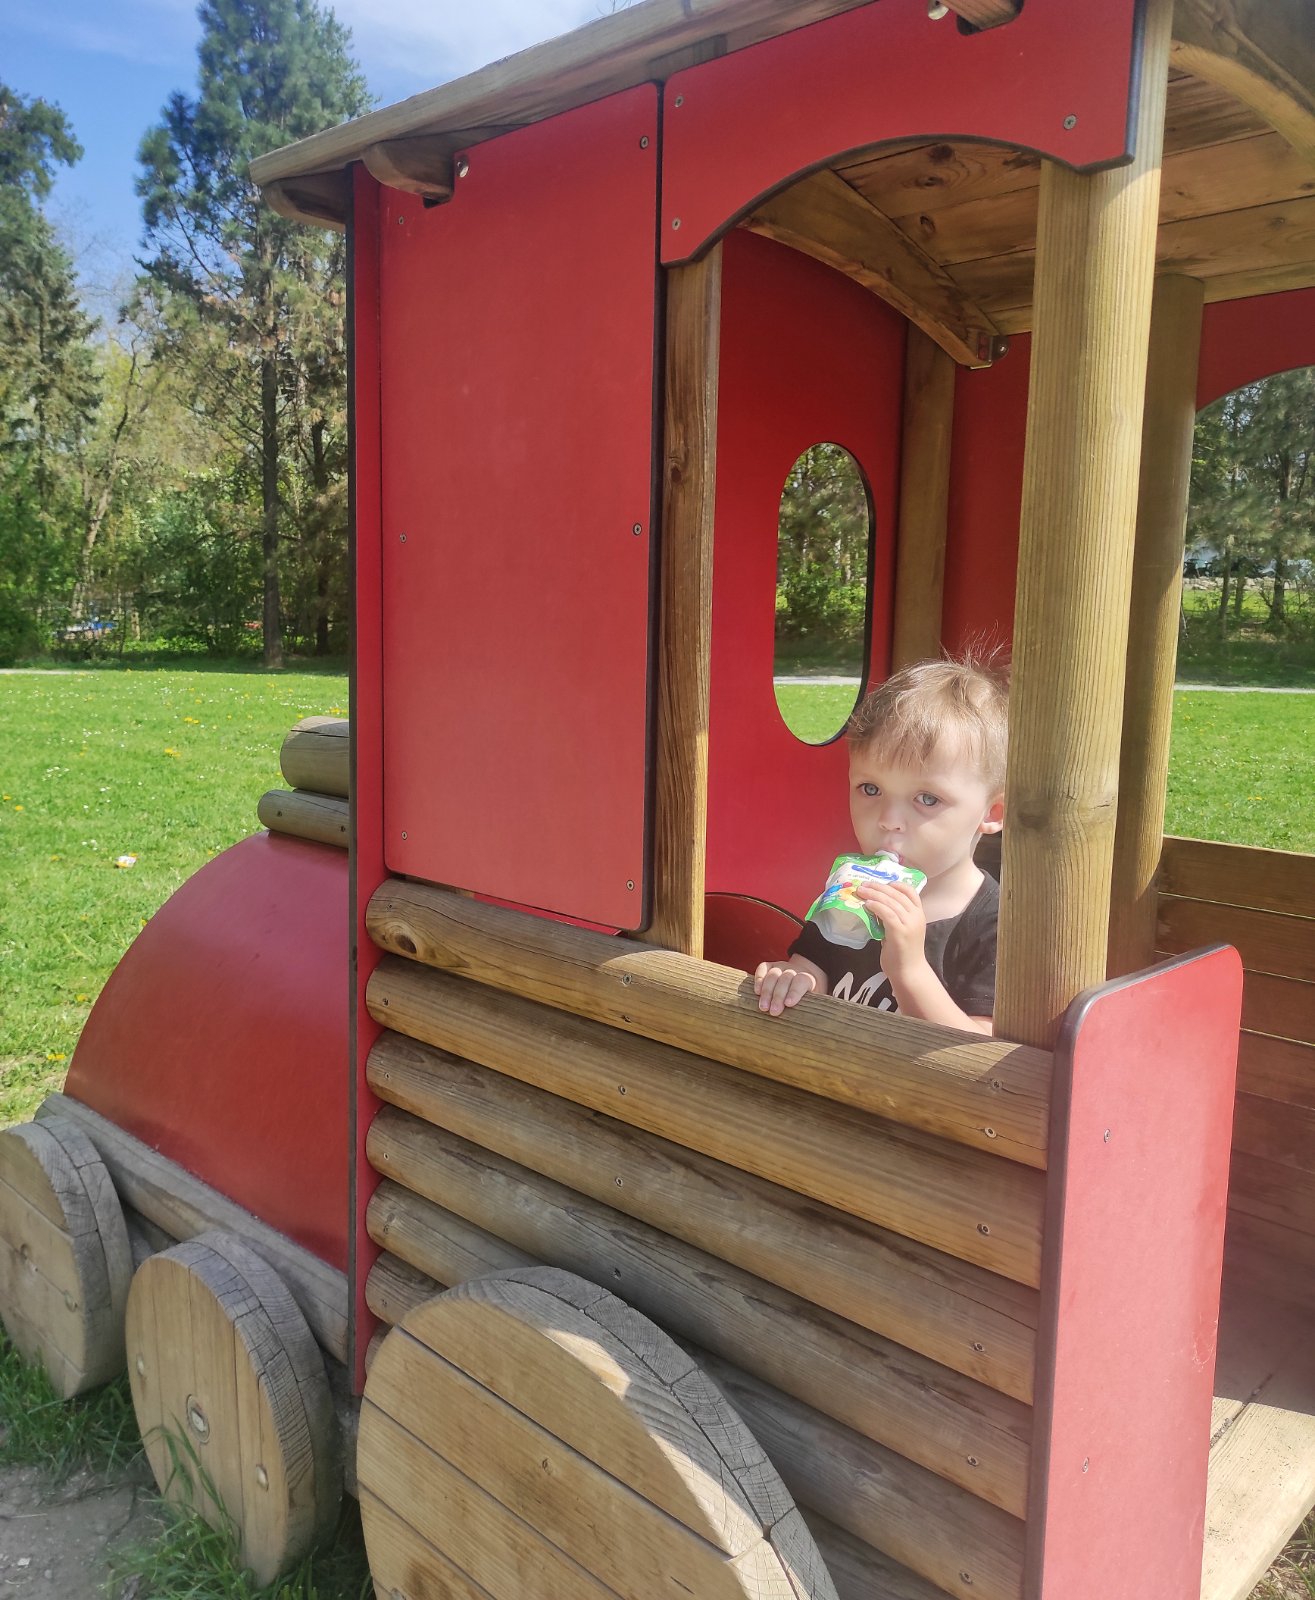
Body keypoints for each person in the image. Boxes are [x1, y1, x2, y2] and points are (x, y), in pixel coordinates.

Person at [754, 654, 1008, 1035]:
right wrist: (792, 980)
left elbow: (981, 1054)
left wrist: (909, 971)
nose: (888, 818)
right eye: (870, 789)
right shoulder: (851, 893)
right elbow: (812, 968)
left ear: (991, 812)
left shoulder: (994, 926)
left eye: (927, 799)